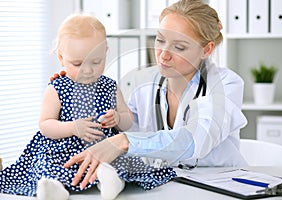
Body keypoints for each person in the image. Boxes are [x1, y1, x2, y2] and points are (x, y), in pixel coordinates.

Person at [64, 0, 249, 193]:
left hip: (220, 188)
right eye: (160, 40)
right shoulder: (144, 82)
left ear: (206, 49)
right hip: (165, 187)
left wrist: (125, 142)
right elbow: (126, 128)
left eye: (179, 47)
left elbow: (196, 139)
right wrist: (72, 83)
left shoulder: (225, 84)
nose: (163, 55)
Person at [0, 14, 176, 200]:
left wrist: (117, 117)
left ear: (105, 53)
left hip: (105, 149)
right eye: (77, 64)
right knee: (48, 164)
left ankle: (111, 181)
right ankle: (54, 187)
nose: (88, 69)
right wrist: (72, 127)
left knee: (120, 163)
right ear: (61, 58)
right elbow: (45, 125)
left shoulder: (110, 86)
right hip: (63, 151)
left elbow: (127, 121)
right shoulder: (57, 88)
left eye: (96, 61)